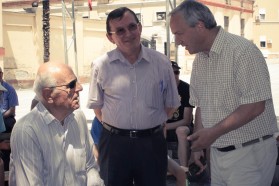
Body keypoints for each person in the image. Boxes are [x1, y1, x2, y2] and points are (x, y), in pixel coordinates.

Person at [169, 1, 278, 185]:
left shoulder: (242, 51)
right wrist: (198, 147)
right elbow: (201, 106)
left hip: (250, 154)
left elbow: (255, 106)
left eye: (179, 34)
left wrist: (212, 133)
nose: (177, 42)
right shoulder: (200, 60)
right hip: (218, 154)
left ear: (200, 26)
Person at [87, 7, 180, 186]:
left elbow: (171, 104)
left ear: (140, 28)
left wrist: (149, 123)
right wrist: (120, 127)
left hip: (152, 143)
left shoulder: (161, 63)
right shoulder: (101, 65)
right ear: (110, 37)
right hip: (114, 144)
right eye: (120, 30)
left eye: (132, 27)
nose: (128, 33)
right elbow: (98, 108)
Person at [9, 62, 104, 186]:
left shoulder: (78, 118)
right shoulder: (26, 131)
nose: (80, 88)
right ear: (48, 95)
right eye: (71, 85)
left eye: (77, 81)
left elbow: (91, 166)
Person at [166, 61, 194, 170]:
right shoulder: (160, 88)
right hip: (165, 124)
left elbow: (186, 120)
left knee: (181, 131)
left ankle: (184, 170)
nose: (174, 75)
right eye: (170, 73)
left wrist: (165, 127)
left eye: (176, 72)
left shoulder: (186, 89)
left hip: (182, 126)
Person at [0, 67, 19, 133]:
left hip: (6, 118)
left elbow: (12, 110)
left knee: (9, 123)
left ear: (1, 74)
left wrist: (1, 118)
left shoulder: (10, 89)